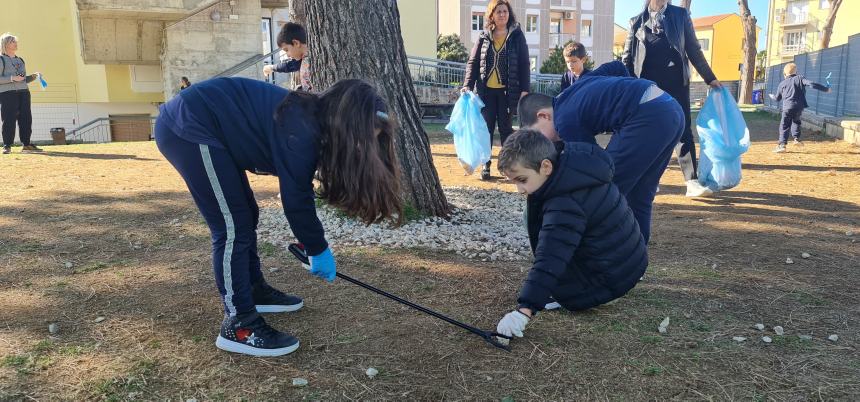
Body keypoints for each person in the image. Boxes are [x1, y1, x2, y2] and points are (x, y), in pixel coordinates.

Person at [154, 77, 402, 357]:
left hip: (210, 128)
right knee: (232, 227)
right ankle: (239, 324)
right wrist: (317, 249)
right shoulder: (303, 130)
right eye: (366, 138)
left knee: (246, 215)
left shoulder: (314, 123)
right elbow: (296, 199)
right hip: (189, 127)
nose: (364, 148)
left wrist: (313, 246)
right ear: (349, 124)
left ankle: (253, 290)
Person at [494, 130, 647, 343]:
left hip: (610, 279)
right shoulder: (575, 164)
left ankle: (571, 291)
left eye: (522, 179)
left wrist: (524, 310)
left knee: (553, 253)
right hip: (628, 262)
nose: (519, 189)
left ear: (546, 166)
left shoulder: (565, 204)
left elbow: (551, 257)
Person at [517, 61, 683, 244]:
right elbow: (617, 67)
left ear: (543, 116)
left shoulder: (564, 120)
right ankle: (637, 256)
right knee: (641, 193)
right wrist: (628, 92)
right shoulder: (577, 86)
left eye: (540, 135)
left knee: (603, 191)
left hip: (647, 116)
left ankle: (594, 255)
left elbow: (594, 166)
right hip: (669, 107)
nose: (546, 143)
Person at [621, 0, 722, 197]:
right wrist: (627, 87)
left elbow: (693, 50)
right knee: (648, 132)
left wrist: (710, 78)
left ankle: (692, 182)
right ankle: (649, 180)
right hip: (647, 87)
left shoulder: (680, 15)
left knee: (683, 130)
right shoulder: (635, 22)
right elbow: (627, 59)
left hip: (677, 84)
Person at [463, 0, 530, 180]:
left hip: (508, 93)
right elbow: (474, 62)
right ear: (492, 15)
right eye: (498, 11)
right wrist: (467, 85)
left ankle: (507, 167)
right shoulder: (484, 36)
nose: (502, 14)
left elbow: (524, 64)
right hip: (486, 92)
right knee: (486, 131)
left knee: (506, 130)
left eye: (505, 11)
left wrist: (525, 89)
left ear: (509, 14)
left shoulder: (517, 35)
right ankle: (486, 166)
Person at [771, 62, 831, 153]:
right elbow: (811, 84)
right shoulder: (800, 78)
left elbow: (777, 99)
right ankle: (796, 139)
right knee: (796, 121)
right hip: (799, 107)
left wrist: (772, 97)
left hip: (787, 107)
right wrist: (826, 89)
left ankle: (782, 145)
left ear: (784, 74)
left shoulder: (782, 84)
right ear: (796, 72)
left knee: (784, 125)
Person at [0, 33, 41, 154]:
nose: (16, 43)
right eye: (13, 41)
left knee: (26, 119)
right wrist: (12, 78)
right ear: (6, 44)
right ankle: (7, 145)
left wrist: (33, 76)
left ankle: (26, 145)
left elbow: (22, 78)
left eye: (15, 41)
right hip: (8, 94)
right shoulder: (1, 60)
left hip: (24, 93)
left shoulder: (20, 60)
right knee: (9, 119)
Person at [263, 22, 312, 92]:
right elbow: (288, 66)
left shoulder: (310, 59)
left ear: (296, 43)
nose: (287, 55)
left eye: (286, 50)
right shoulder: (301, 61)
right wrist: (272, 67)